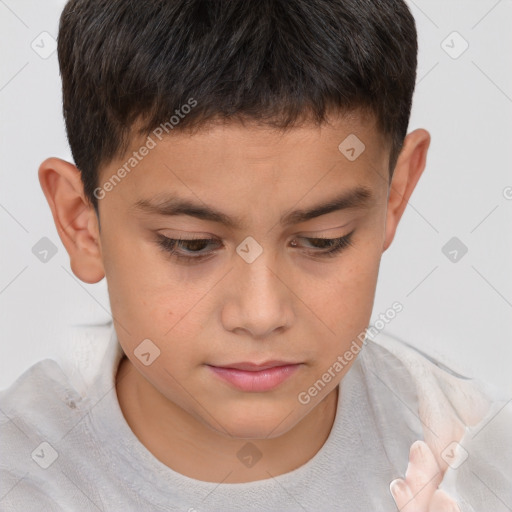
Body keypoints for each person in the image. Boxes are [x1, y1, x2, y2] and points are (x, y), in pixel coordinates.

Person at [1, 0, 510, 510]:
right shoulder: (21, 477)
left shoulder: (478, 461)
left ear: (393, 196)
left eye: (322, 239)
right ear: (81, 223)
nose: (262, 314)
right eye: (192, 245)